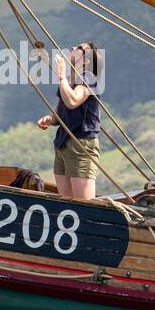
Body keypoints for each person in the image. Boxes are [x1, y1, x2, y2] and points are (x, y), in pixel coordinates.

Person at [36, 42, 103, 199]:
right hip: (62, 143)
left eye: (80, 49)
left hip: (81, 145)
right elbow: (61, 109)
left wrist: (60, 75)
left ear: (86, 61)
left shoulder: (89, 79)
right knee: (67, 203)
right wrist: (50, 119)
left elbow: (72, 101)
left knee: (83, 205)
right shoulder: (68, 81)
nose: (73, 48)